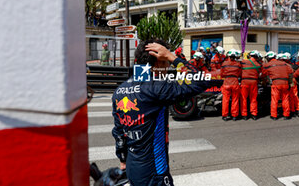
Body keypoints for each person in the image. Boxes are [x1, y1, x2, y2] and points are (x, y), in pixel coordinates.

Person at [112, 40, 221, 186]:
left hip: (132, 167)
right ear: (158, 62)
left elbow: (119, 132)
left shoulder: (120, 90)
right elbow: (200, 81)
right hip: (154, 172)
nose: (168, 66)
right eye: (165, 62)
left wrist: (123, 160)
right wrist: (173, 57)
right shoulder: (157, 88)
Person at [261, 51, 293, 120]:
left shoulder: (267, 65)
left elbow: (263, 75)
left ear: (268, 58)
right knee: (285, 99)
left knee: (275, 99)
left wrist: (264, 82)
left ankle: (274, 115)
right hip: (285, 83)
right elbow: (290, 73)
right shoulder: (284, 64)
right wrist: (290, 83)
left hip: (276, 83)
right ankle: (286, 115)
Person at [221, 49, 242, 121]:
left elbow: (222, 74)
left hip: (226, 82)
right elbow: (239, 74)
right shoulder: (238, 64)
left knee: (225, 100)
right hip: (235, 83)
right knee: (235, 100)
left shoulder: (224, 63)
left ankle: (225, 115)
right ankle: (234, 116)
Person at [240, 50, 261, 120]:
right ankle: (254, 114)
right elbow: (261, 75)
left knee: (243, 98)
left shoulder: (244, 62)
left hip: (244, 82)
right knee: (253, 99)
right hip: (254, 82)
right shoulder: (258, 64)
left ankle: (244, 115)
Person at [280, 53, 299, 117]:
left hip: (288, 81)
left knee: (288, 97)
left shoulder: (283, 66)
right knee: (295, 96)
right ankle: (298, 110)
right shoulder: (294, 66)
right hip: (293, 81)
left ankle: (292, 110)